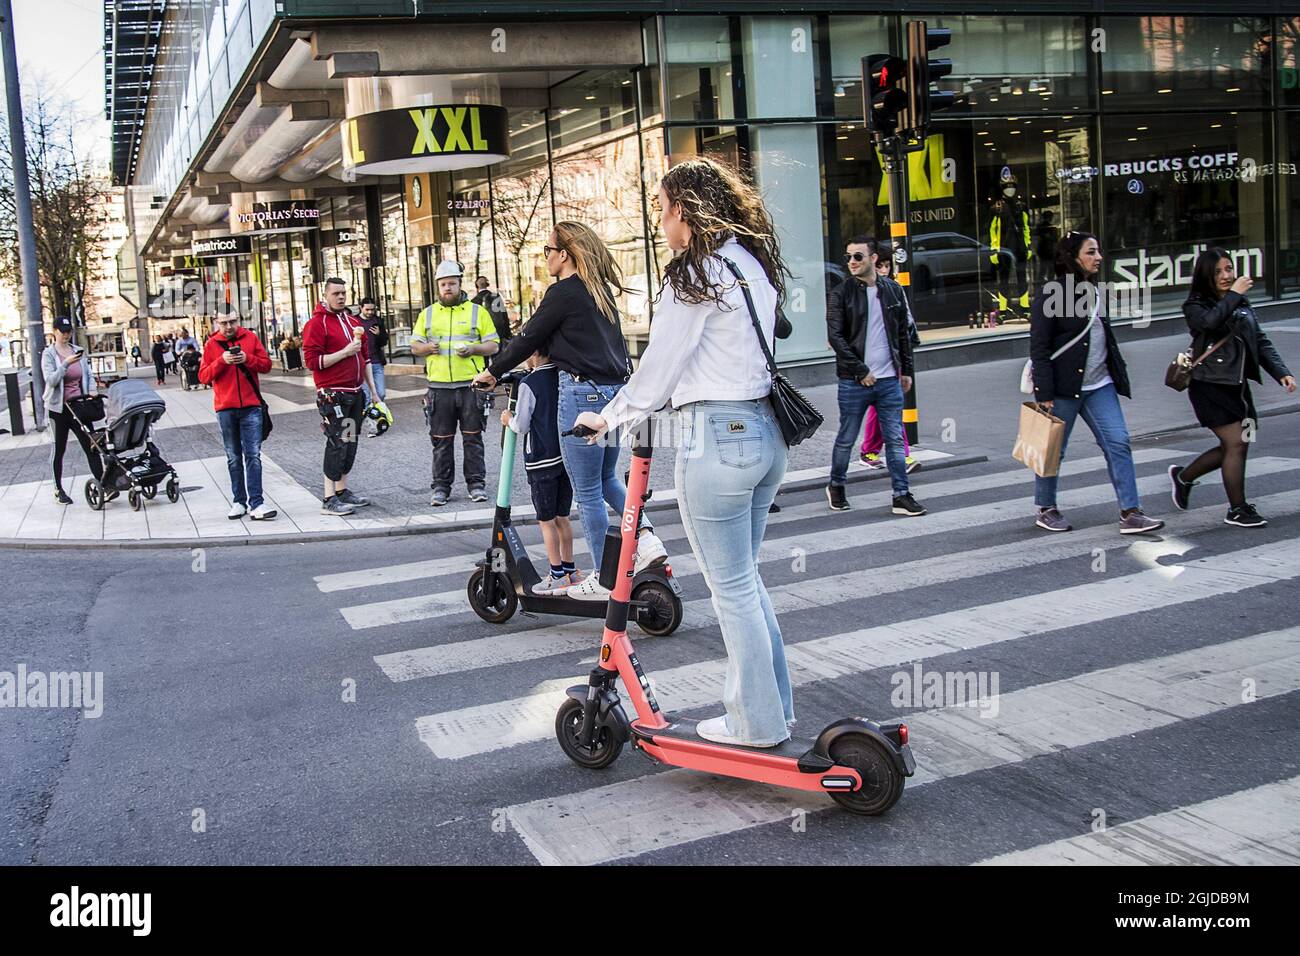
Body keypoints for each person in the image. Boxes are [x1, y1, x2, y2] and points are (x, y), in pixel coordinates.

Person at [571, 157, 793, 747]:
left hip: (717, 438)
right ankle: (775, 709)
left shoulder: (694, 275)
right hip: (766, 434)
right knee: (747, 581)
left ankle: (756, 723)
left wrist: (606, 418)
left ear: (687, 213)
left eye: (663, 210)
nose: (660, 223)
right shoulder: (752, 265)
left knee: (732, 588)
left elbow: (657, 372)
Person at [471, 222, 667, 600]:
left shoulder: (563, 292)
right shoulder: (600, 292)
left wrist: (492, 373)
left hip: (582, 397)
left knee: (589, 491)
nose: (545, 256)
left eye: (547, 250)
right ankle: (647, 540)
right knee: (609, 478)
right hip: (613, 396)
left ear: (564, 254)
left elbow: (530, 337)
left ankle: (603, 579)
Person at [1028, 232, 1163, 534]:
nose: (1098, 257)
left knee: (1118, 442)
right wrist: (1044, 392)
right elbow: (1039, 346)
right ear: (1073, 257)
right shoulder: (1052, 293)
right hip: (1064, 387)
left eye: (1099, 251)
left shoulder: (1096, 290)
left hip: (1099, 385)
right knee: (1052, 450)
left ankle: (1131, 512)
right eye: (1091, 252)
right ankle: (1046, 508)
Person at [1170, 249, 1295, 528]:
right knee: (1236, 442)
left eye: (1229, 269)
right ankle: (1237, 509)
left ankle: (1183, 477)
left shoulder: (1241, 302)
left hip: (1238, 388)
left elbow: (1260, 341)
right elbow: (1210, 323)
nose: (1227, 276)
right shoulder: (1195, 305)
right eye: (1218, 272)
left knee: (1240, 443)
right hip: (1209, 385)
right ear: (1206, 276)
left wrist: (1282, 373)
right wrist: (1234, 295)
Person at [825, 235, 926, 517]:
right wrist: (861, 371)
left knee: (894, 439)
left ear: (873, 259)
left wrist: (905, 370)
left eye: (858, 256)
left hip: (889, 380)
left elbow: (902, 334)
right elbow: (836, 337)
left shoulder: (892, 290)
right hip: (854, 381)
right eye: (848, 257)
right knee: (847, 437)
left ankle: (901, 495)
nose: (852, 262)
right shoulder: (841, 293)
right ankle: (836, 485)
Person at [411, 261, 500, 507]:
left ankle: (476, 484)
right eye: (443, 284)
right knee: (441, 440)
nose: (447, 288)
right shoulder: (427, 314)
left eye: (451, 283)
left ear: (460, 284)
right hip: (439, 388)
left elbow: (494, 345)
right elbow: (414, 345)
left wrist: (473, 348)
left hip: (471, 386)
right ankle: (441, 487)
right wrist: (426, 348)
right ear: (437, 287)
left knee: (473, 438)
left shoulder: (477, 312)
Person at [501, 350, 582, 593]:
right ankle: (570, 570)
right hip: (564, 455)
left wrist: (508, 419)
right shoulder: (563, 376)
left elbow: (522, 424)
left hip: (541, 460)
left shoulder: (530, 383)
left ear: (535, 353)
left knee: (546, 521)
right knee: (562, 518)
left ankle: (556, 574)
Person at [301, 277, 380, 516]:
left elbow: (365, 358)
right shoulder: (317, 324)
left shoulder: (352, 321)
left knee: (350, 441)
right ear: (325, 295)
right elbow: (312, 362)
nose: (341, 297)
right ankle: (328, 497)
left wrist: (374, 392)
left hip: (355, 392)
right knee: (336, 442)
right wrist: (345, 352)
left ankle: (342, 490)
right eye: (336, 293)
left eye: (344, 292)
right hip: (332, 393)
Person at [199, 308, 277, 520]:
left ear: (238, 320)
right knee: (233, 457)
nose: (229, 327)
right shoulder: (211, 344)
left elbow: (267, 365)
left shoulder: (250, 337)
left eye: (232, 321)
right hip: (225, 408)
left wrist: (247, 359)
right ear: (217, 323)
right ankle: (238, 501)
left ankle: (257, 503)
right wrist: (222, 361)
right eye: (224, 323)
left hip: (251, 406)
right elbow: (203, 376)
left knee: (253, 455)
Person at [860, 247, 920, 475]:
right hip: (870, 361)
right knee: (888, 408)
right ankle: (901, 455)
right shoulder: (859, 291)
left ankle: (870, 450)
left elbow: (906, 320)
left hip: (891, 358)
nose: (884, 270)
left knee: (884, 407)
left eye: (887, 266)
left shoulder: (893, 289)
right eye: (880, 266)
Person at [41, 316, 106, 505]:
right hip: (58, 409)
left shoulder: (78, 351)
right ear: (54, 331)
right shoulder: (49, 354)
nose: (66, 335)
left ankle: (104, 485)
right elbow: (51, 380)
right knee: (59, 449)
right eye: (63, 332)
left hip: (79, 407)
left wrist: (92, 390)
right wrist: (65, 364)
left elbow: (87, 374)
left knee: (91, 446)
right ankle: (58, 490)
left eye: (69, 331)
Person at [357, 297, 389, 436]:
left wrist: (379, 334)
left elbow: (384, 341)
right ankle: (372, 423)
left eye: (372, 309)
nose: (370, 312)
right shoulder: (354, 321)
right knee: (367, 397)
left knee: (380, 393)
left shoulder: (378, 321)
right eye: (367, 309)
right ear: (361, 308)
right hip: (361, 363)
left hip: (376, 362)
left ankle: (378, 417)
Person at [472, 276, 512, 346]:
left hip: (483, 335)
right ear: (487, 284)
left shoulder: (474, 301)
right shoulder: (495, 297)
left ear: (476, 286)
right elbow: (504, 315)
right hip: (498, 332)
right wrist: (507, 334)